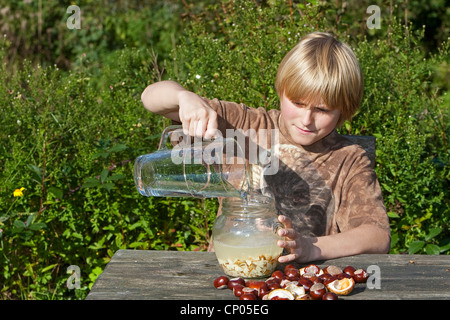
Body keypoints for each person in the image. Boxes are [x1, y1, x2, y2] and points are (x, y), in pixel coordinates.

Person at [140, 32, 391, 264]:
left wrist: (312, 247)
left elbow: (377, 236)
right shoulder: (244, 125)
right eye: (298, 103)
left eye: (322, 110)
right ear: (281, 91)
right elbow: (150, 98)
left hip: (300, 283)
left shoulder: (349, 159)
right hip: (230, 274)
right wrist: (185, 98)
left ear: (343, 111)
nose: (306, 119)